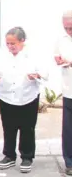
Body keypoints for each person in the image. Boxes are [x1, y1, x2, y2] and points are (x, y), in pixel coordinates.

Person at [0, 27, 48, 173]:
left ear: (22, 41)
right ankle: (9, 155)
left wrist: (37, 75)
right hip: (6, 95)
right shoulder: (1, 53)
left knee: (27, 127)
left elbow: (45, 71)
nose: (10, 46)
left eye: (13, 43)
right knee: (8, 127)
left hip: (28, 95)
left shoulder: (33, 53)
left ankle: (27, 157)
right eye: (8, 43)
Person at [55, 10, 72, 176]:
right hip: (69, 90)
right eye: (66, 28)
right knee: (68, 130)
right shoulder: (61, 40)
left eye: (71, 28)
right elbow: (57, 56)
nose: (68, 31)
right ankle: (69, 162)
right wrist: (59, 60)